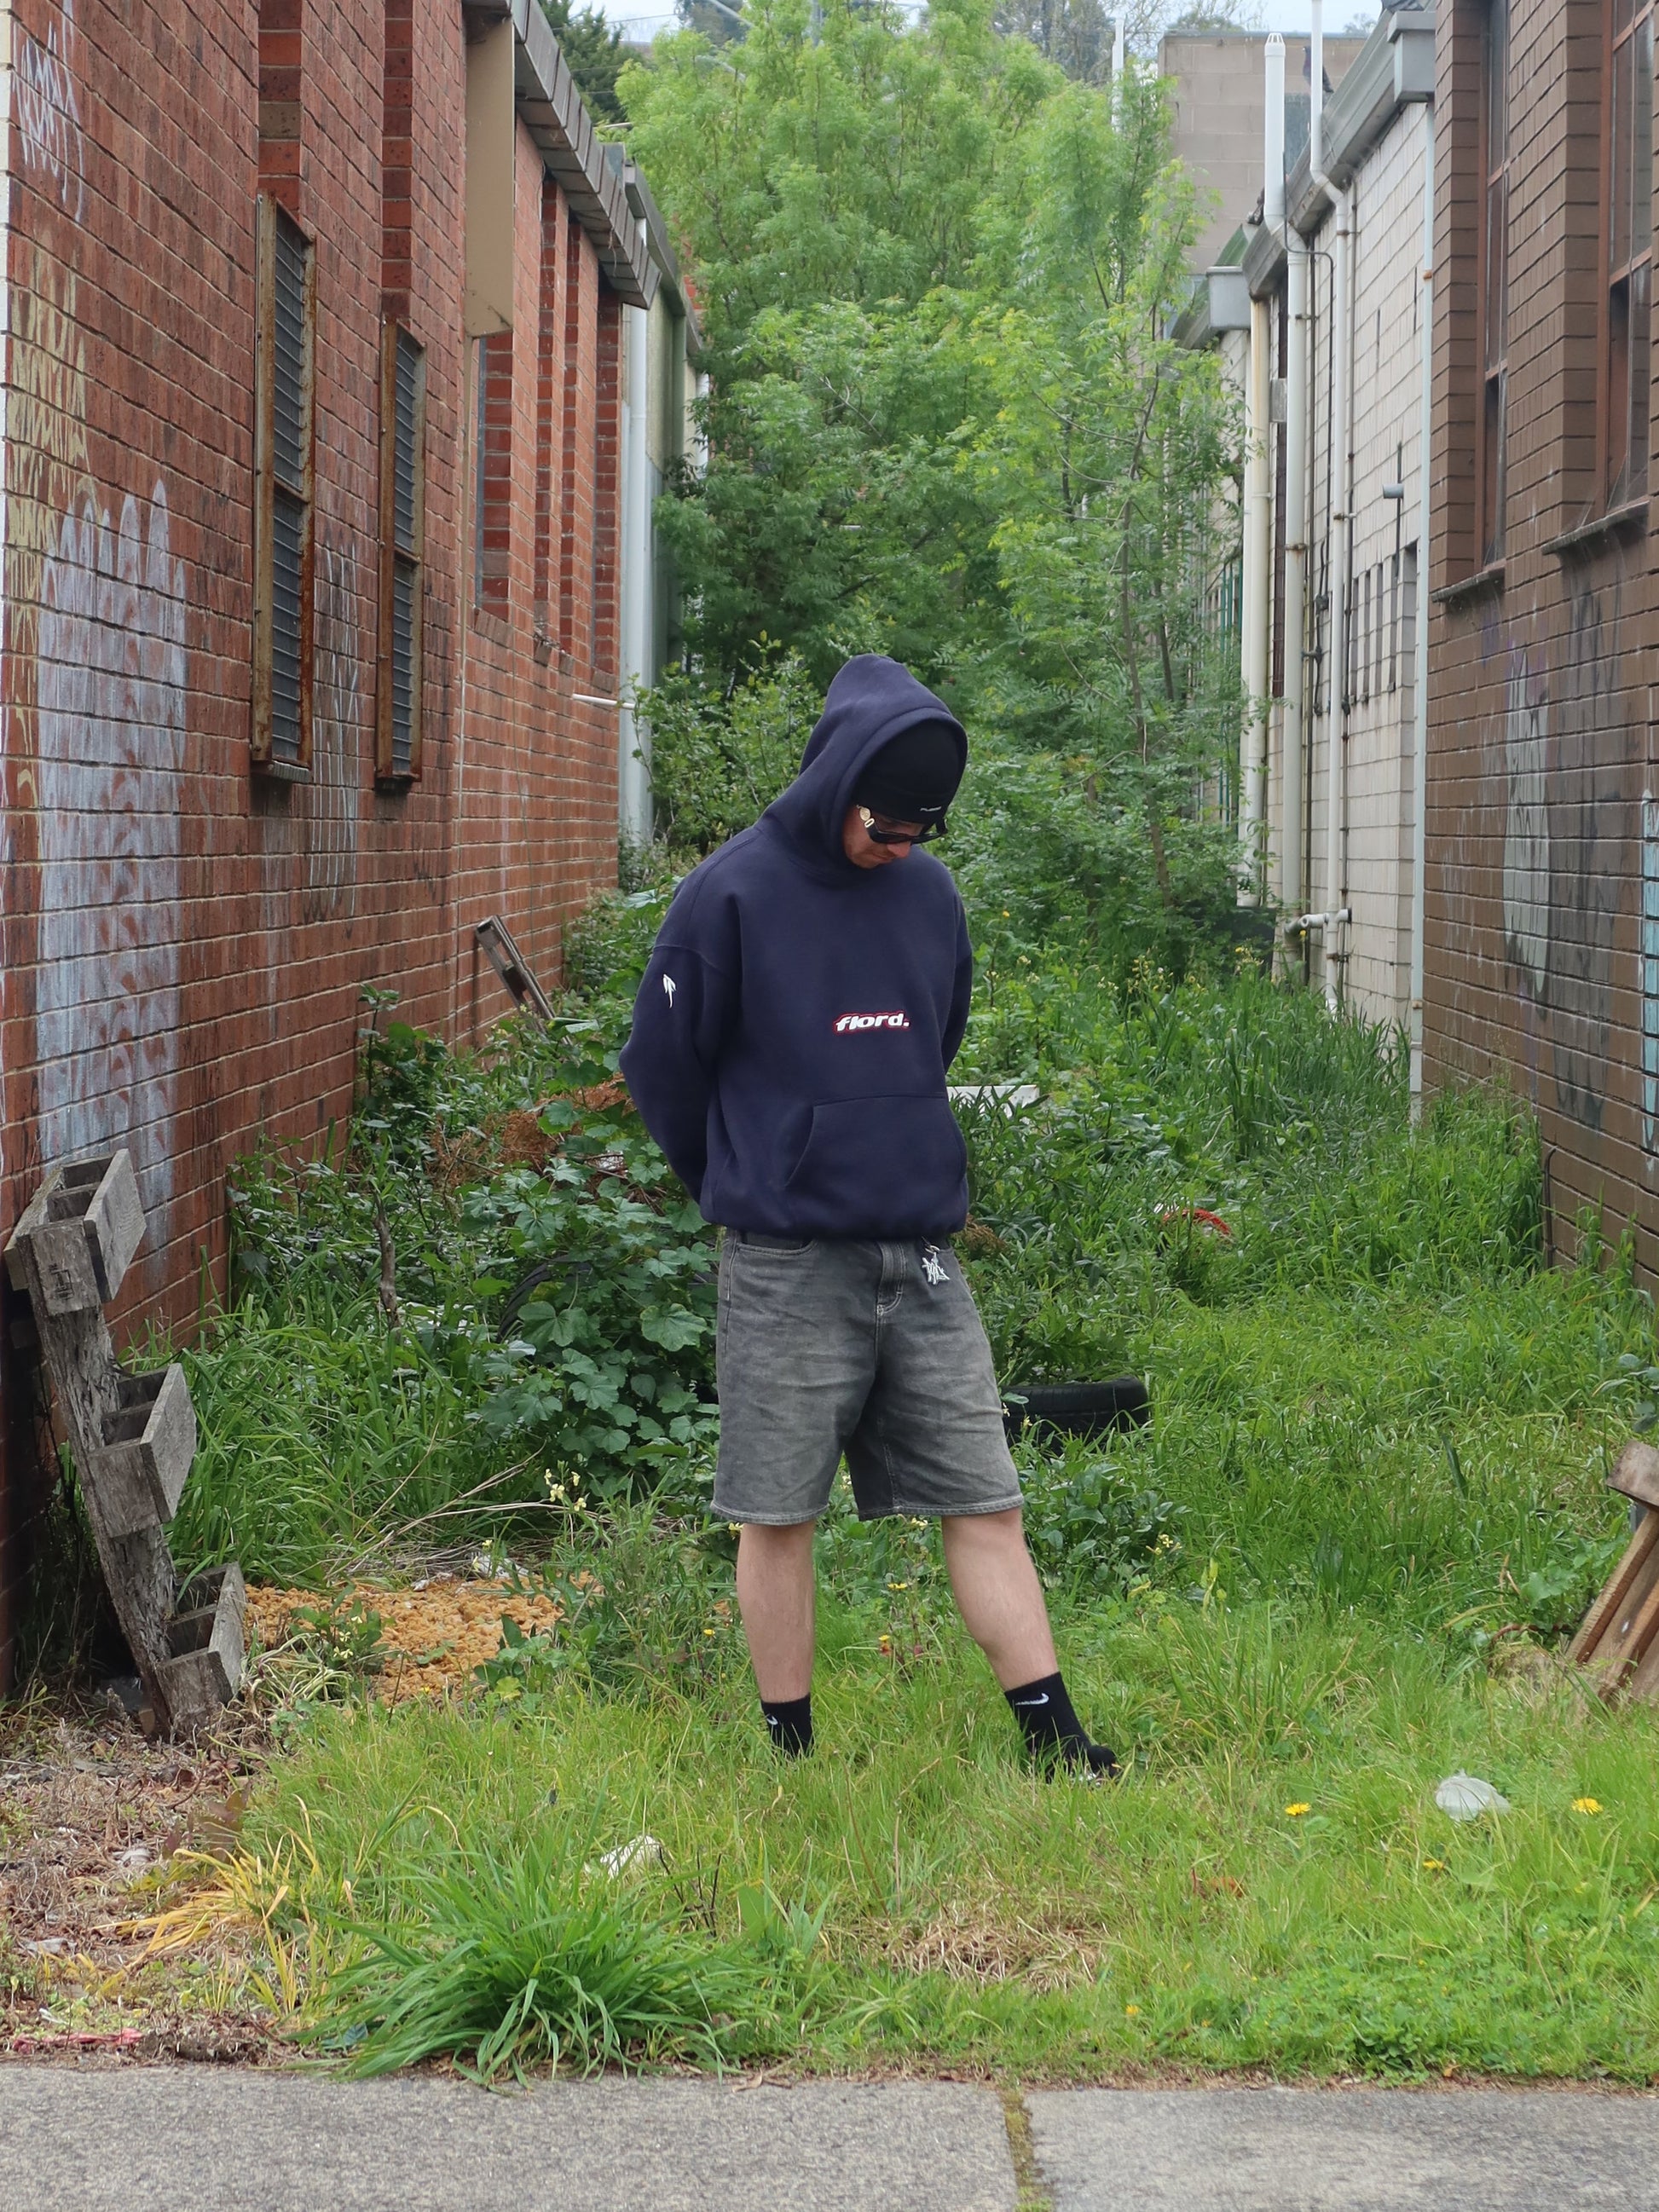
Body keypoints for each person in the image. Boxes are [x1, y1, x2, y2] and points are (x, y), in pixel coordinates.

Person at [619, 655, 1117, 1778]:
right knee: (777, 1514)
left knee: (985, 1498)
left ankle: (1056, 1745)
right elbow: (660, 1066)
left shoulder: (928, 897)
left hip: (920, 1255)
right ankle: (788, 1754)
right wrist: (745, 1174)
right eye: (882, 832)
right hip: (787, 1263)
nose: (897, 852)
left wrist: (882, 1137)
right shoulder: (731, 894)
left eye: (915, 837)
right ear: (834, 788)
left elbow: (933, 1040)